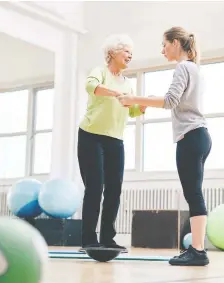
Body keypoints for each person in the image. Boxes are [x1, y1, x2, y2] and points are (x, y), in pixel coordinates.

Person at [117, 27, 212, 266]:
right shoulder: (195, 69)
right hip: (199, 135)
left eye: (165, 45)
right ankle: (197, 249)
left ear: (177, 43)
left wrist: (135, 99)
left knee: (193, 194)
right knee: (194, 193)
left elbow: (170, 101)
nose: (162, 50)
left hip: (190, 136)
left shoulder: (183, 67)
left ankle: (198, 251)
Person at [78, 34, 145, 253]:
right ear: (112, 53)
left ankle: (108, 238)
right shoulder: (100, 72)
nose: (130, 55)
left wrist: (141, 107)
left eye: (131, 52)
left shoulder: (128, 83)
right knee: (95, 187)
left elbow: (132, 110)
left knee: (114, 189)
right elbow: (92, 87)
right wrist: (116, 93)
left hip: (115, 140)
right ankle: (88, 238)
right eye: (126, 51)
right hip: (91, 136)